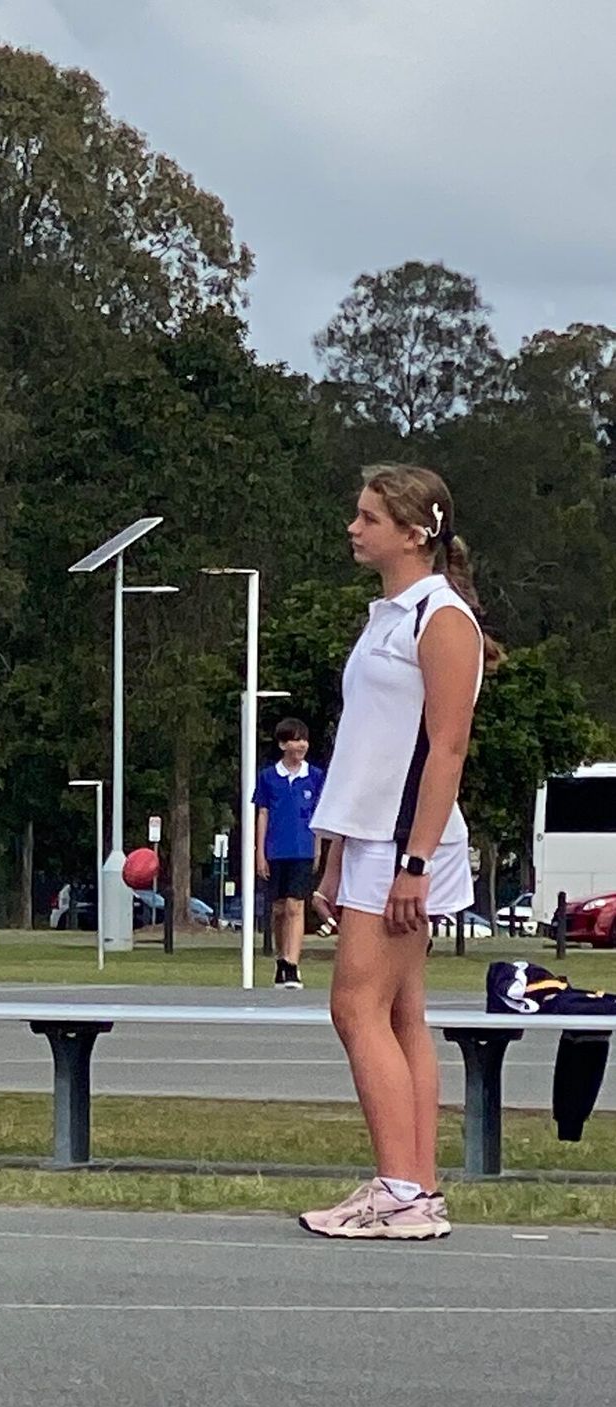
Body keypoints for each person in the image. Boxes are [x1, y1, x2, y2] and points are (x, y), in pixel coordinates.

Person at [299, 466, 490, 1244]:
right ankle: (416, 1188)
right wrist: (336, 854)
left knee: (355, 1007)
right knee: (401, 1011)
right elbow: (368, 748)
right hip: (370, 837)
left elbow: (445, 750)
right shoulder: (387, 616)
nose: (354, 527)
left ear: (415, 534)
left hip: (406, 841)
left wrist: (414, 862)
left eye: (369, 518)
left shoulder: (442, 619)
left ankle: (401, 1190)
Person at [252, 717, 328, 987]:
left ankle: (292, 964)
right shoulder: (268, 777)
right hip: (276, 851)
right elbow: (263, 814)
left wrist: (317, 848)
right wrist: (260, 853)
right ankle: (280, 958)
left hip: (302, 850)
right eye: (296, 740)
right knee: (279, 909)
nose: (302, 745)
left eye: (304, 739)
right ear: (283, 744)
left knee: (296, 906)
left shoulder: (315, 776)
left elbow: (319, 815)